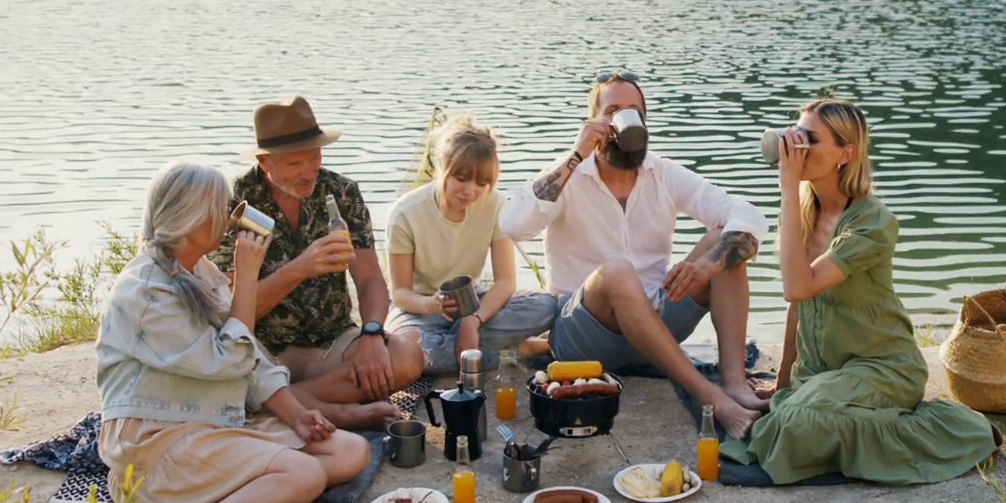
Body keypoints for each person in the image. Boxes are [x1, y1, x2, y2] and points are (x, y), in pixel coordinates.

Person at [97, 162, 372, 503]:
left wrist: (295, 414)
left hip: (208, 421)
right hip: (154, 442)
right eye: (222, 209)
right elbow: (228, 358)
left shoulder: (197, 270)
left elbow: (253, 360)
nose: (230, 218)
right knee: (305, 476)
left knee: (349, 452)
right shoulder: (143, 293)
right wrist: (247, 277)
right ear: (192, 218)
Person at [721, 99, 996, 485]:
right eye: (795, 134)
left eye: (809, 139)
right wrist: (783, 385)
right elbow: (798, 306)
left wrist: (786, 186)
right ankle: (820, 414)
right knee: (788, 410)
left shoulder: (872, 223)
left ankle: (947, 431)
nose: (796, 147)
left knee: (796, 419)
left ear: (845, 154)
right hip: (823, 374)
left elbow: (796, 287)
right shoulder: (804, 212)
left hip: (883, 369)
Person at [501, 72, 771, 437]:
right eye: (612, 110)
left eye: (633, 111)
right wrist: (577, 153)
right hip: (583, 335)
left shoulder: (663, 173)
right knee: (617, 272)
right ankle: (714, 400)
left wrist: (709, 264)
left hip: (656, 324)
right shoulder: (569, 174)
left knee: (725, 243)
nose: (624, 119)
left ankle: (734, 383)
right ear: (593, 121)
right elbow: (514, 225)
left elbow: (748, 214)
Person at [214, 96, 423, 419]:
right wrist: (299, 269)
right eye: (294, 164)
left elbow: (369, 277)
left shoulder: (342, 192)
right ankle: (319, 406)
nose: (308, 172)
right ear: (265, 162)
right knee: (224, 372)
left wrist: (371, 334)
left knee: (408, 359)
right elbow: (234, 314)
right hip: (262, 350)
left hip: (333, 345)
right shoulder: (234, 203)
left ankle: (272, 403)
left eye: (315, 157)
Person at [386, 117, 557, 375]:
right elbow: (400, 293)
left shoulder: (496, 205)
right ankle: (515, 351)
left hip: (472, 304)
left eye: (481, 183)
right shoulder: (405, 213)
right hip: (420, 311)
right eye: (461, 178)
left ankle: (465, 345)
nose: (470, 191)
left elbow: (505, 282)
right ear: (441, 167)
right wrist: (432, 305)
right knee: (408, 352)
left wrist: (473, 320)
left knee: (546, 305)